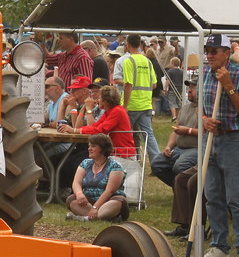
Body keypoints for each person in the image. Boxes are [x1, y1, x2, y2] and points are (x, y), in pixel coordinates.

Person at [200, 35, 239, 257]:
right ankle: (219, 245)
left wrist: (230, 87)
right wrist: (204, 119)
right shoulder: (205, 74)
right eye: (208, 50)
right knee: (212, 195)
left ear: (227, 52)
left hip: (234, 139)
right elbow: (200, 109)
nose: (210, 55)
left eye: (215, 51)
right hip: (210, 139)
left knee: (236, 197)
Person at [65, 133, 130, 222]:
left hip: (108, 201)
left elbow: (109, 191)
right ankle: (102, 217)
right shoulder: (85, 163)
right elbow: (76, 182)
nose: (89, 149)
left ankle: (87, 218)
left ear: (103, 149)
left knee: (118, 202)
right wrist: (79, 194)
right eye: (89, 146)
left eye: (93, 146)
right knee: (72, 199)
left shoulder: (115, 167)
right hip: (89, 201)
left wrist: (95, 207)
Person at [59, 84, 135, 157]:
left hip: (122, 154)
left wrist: (75, 130)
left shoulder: (117, 111)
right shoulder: (109, 111)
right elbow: (94, 126)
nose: (98, 100)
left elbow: (100, 130)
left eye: (100, 98)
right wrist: (75, 129)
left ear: (106, 100)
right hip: (113, 151)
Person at [151, 77, 199, 189]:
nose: (189, 90)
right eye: (189, 87)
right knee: (157, 164)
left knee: (180, 166)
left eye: (193, 88)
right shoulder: (185, 108)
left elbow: (206, 132)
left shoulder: (206, 109)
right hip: (179, 149)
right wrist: (168, 146)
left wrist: (188, 131)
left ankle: (183, 190)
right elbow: (176, 130)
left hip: (196, 149)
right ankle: (179, 189)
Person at [121, 35, 160, 164]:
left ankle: (126, 160)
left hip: (132, 104)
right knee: (149, 135)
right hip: (146, 104)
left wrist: (124, 106)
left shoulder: (128, 61)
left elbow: (128, 84)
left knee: (125, 135)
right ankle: (158, 163)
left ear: (128, 44)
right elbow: (154, 84)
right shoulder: (147, 61)